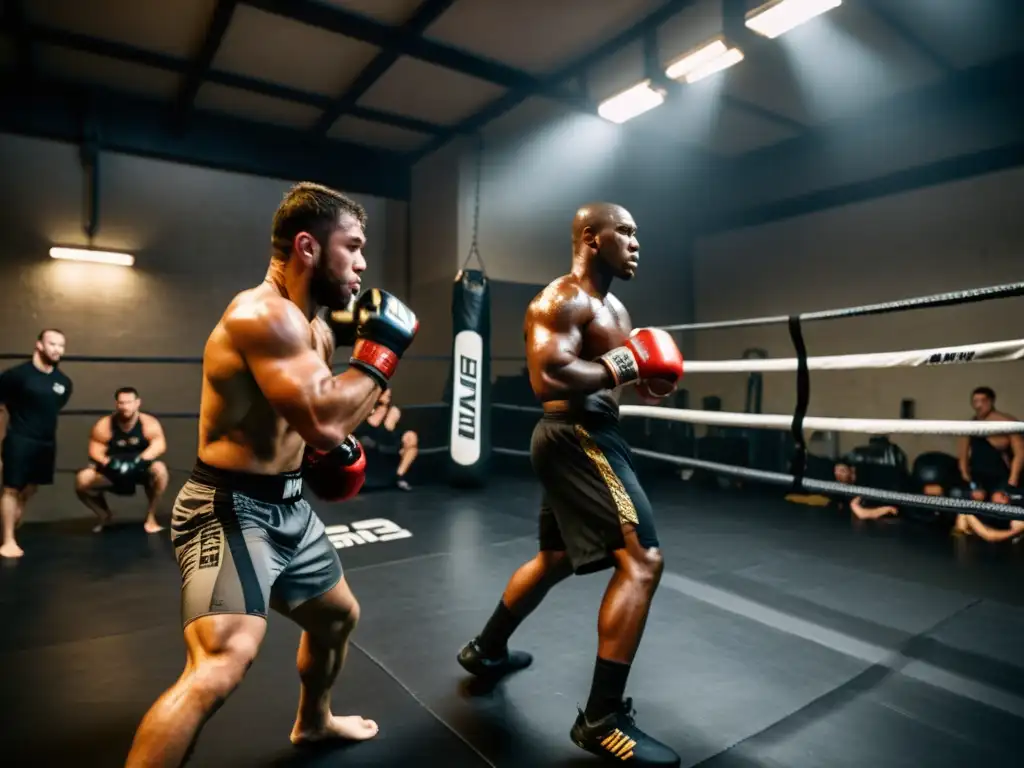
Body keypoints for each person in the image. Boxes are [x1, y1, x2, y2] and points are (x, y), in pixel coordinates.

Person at [124, 182, 418, 767]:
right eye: (353, 247)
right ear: (308, 246)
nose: (362, 263)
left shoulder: (317, 327)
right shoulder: (262, 315)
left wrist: (325, 451)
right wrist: (382, 352)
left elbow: (316, 423)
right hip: (229, 506)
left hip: (288, 508)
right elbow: (328, 420)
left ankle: (313, 723)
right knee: (222, 662)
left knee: (337, 617)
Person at [456, 203, 682, 766]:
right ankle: (602, 718)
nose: (635, 243)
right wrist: (627, 366)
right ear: (590, 236)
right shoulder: (562, 300)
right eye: (624, 232)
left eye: (637, 233)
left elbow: (613, 374)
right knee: (642, 561)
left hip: (588, 430)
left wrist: (649, 380)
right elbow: (549, 375)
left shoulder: (616, 307)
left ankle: (486, 650)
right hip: (577, 434)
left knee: (555, 556)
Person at [0, 329, 72, 559]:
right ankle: (8, 540)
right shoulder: (16, 376)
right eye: (52, 344)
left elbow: (51, 409)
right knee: (11, 489)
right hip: (19, 439)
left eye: (61, 345)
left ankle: (9, 519)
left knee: (31, 488)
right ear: (39, 345)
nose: (57, 350)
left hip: (45, 443)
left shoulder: (63, 382)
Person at [74, 387, 170, 533]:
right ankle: (104, 515)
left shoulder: (148, 423)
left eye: (129, 402)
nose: (125, 407)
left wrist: (138, 462)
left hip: (139, 470)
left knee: (160, 470)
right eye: (121, 403)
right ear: (117, 404)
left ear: (137, 403)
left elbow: (159, 445)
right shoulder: (105, 425)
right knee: (83, 479)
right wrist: (111, 464)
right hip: (113, 471)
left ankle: (151, 518)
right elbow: (95, 450)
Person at [959, 387, 1023, 500]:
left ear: (991, 401)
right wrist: (969, 482)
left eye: (983, 401)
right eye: (975, 401)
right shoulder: (970, 425)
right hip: (978, 476)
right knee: (973, 501)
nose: (978, 405)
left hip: (1001, 476)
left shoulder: (1007, 423)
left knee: (999, 500)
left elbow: (1020, 453)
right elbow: (963, 457)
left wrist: (1012, 482)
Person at [354, 388, 418, 490]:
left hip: (387, 447)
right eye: (384, 393)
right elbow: (360, 432)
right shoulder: (365, 411)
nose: (388, 396)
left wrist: (389, 424)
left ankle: (399, 476)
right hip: (367, 449)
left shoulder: (393, 412)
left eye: (389, 395)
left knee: (411, 437)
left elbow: (394, 435)